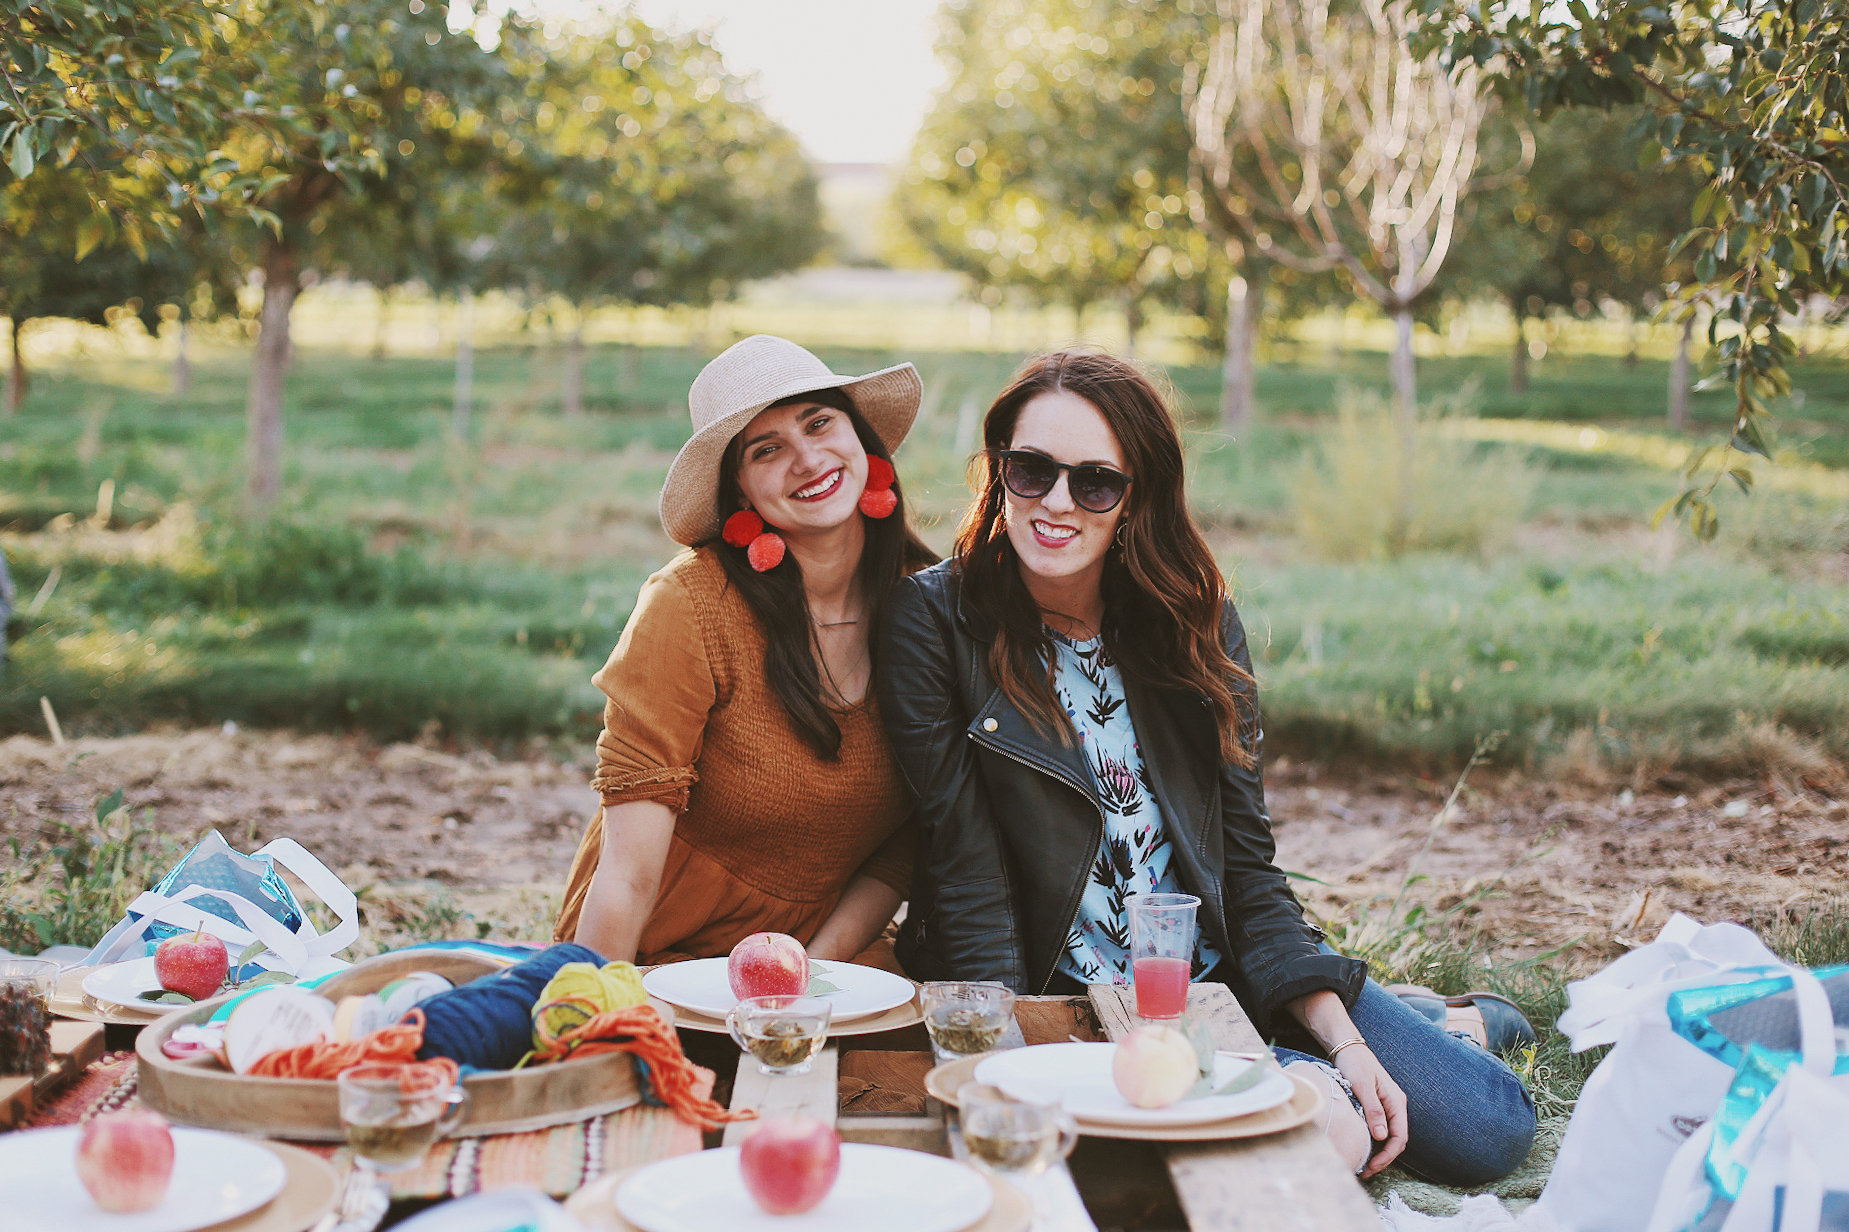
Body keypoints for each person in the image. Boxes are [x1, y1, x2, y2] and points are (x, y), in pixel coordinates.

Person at [876, 350, 1535, 1183]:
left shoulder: (1195, 618)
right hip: (1074, 994)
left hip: (1224, 975)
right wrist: (1011, 1065)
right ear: (998, 470)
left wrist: (1345, 1039)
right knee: (1309, 1141)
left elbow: (1245, 869)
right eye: (1030, 470)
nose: (1055, 504)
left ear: (1136, 497)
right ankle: (1399, 1025)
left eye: (1095, 484)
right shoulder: (931, 623)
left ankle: (1433, 1022)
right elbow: (967, 874)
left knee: (1486, 1133)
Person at [554, 335, 936, 968]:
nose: (809, 460)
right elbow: (627, 872)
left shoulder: (930, 610)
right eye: (768, 449)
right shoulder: (690, 607)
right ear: (741, 494)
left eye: (820, 423)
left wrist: (806, 977)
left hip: (822, 953)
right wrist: (605, 1013)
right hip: (660, 944)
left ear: (862, 439)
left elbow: (906, 846)